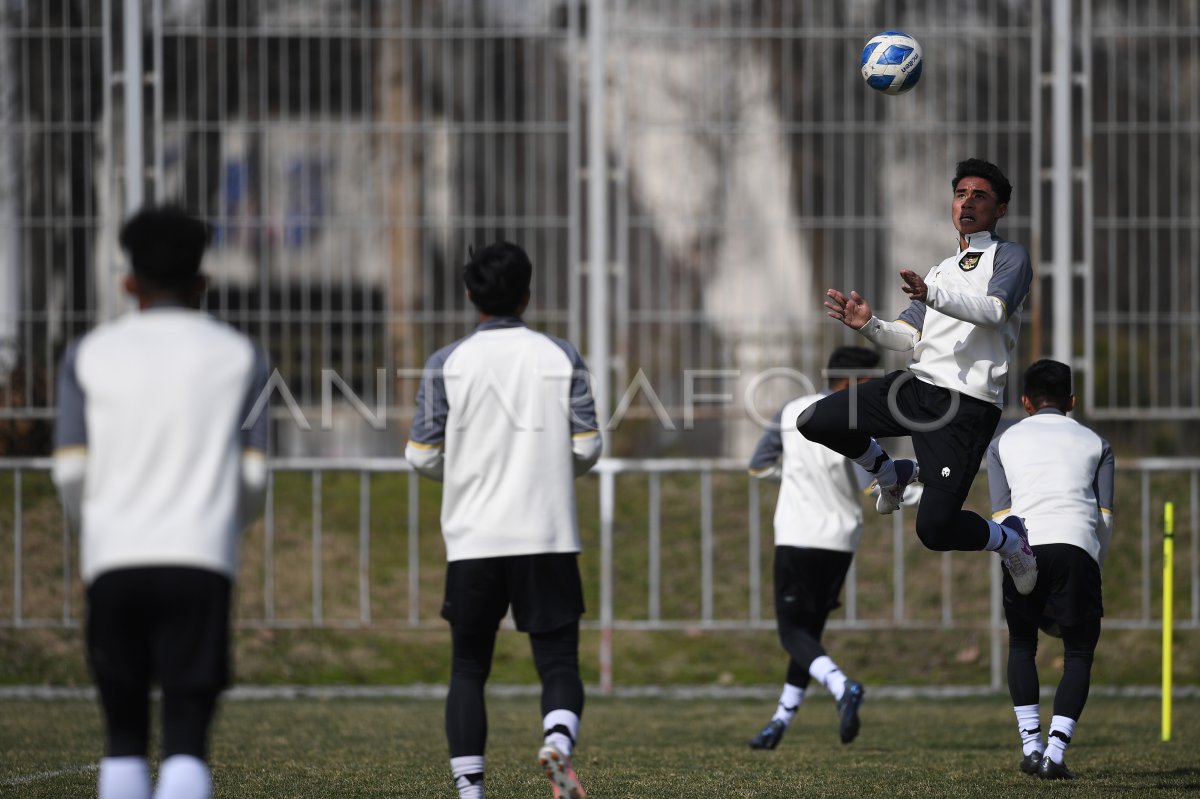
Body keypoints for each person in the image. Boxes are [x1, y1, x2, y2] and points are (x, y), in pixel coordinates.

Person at [51, 206, 269, 799]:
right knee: (186, 734)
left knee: (122, 732)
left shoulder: (89, 353)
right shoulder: (242, 356)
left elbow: (71, 468)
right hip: (200, 558)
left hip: (114, 557)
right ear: (203, 282)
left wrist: (94, 528)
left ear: (128, 283)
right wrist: (224, 526)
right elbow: (253, 476)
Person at [405, 242, 602, 799]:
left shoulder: (447, 362)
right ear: (528, 293)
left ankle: (471, 791)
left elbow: (420, 453)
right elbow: (587, 445)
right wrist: (542, 469)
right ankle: (558, 742)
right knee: (559, 662)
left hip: (474, 540)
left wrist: (467, 471)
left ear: (470, 295)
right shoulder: (560, 355)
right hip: (547, 533)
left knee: (468, 669)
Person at [798, 157, 1039, 594]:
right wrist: (869, 325)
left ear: (1000, 209)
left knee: (935, 531)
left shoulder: (1009, 256)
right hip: (914, 388)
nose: (967, 202)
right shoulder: (941, 270)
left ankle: (1010, 539)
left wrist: (934, 296)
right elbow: (906, 338)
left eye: (979, 195)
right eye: (961, 193)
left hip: (966, 407)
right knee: (816, 421)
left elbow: (994, 311)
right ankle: (889, 471)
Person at [747, 346, 912, 751]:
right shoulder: (857, 422)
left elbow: (759, 465)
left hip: (798, 533)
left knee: (792, 633)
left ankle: (843, 686)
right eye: (870, 381)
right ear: (849, 383)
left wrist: (795, 477)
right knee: (810, 633)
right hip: (841, 539)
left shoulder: (792, 411)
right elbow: (871, 479)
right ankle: (779, 721)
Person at [986, 359, 1114, 780]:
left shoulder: (1003, 442)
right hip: (1077, 546)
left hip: (1024, 546)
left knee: (1022, 645)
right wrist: (1092, 563)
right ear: (1072, 401)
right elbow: (1104, 518)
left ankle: (1031, 746)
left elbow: (1003, 514)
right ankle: (1056, 753)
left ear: (1025, 402)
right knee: (1077, 653)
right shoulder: (1097, 443)